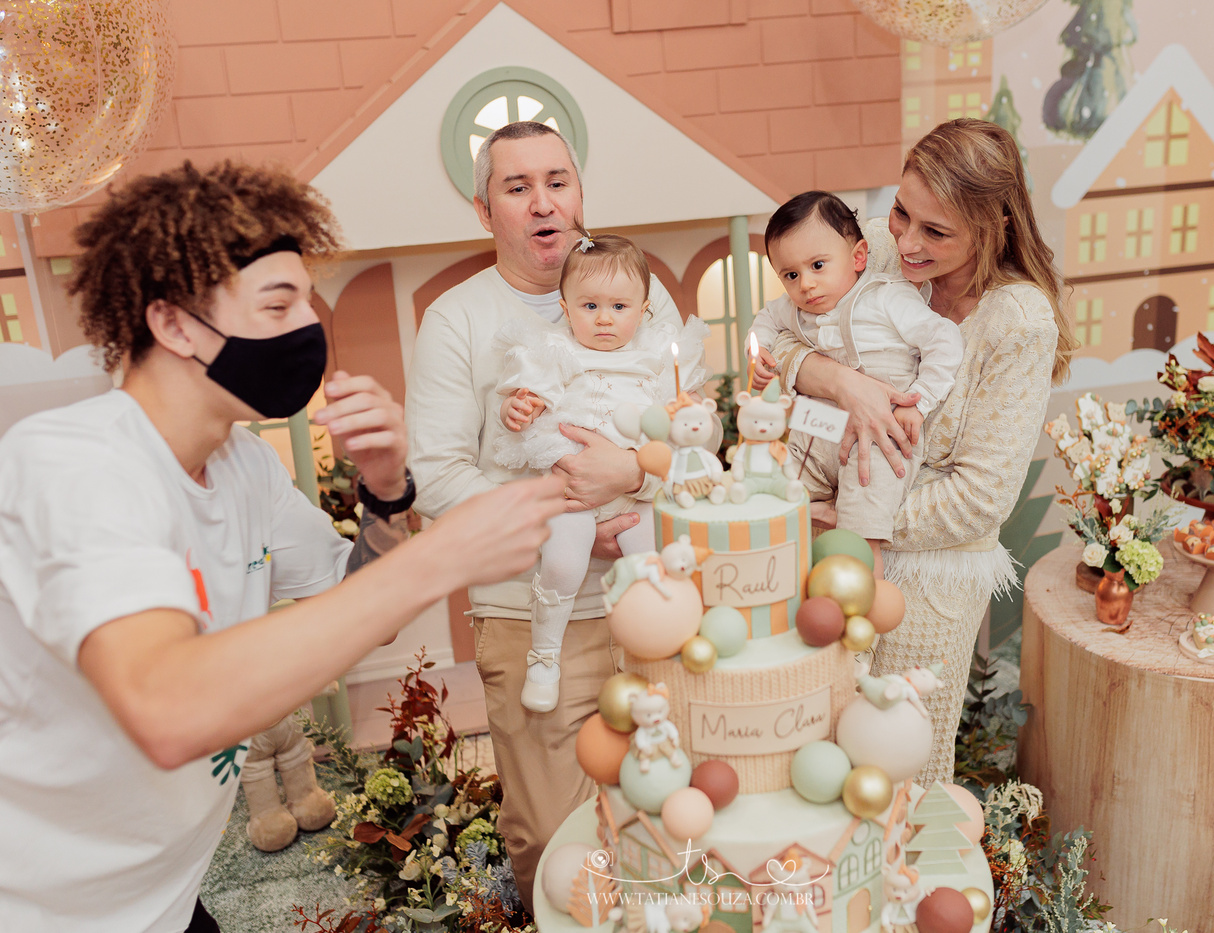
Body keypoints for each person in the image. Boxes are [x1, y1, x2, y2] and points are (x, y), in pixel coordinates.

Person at [0, 161, 564, 933]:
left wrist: (386, 490)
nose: (308, 324)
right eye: (278, 304)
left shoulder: (245, 464)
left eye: (306, 299)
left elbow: (361, 608)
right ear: (174, 325)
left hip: (164, 897)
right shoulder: (75, 462)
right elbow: (166, 708)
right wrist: (444, 555)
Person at [405, 121, 699, 912]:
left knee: (669, 809)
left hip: (654, 597)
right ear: (484, 210)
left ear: (580, 192)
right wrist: (560, 518)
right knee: (555, 838)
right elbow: (436, 474)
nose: (543, 202)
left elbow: (696, 434)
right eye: (517, 186)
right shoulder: (458, 319)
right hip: (529, 612)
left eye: (557, 181)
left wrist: (631, 471)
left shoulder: (643, 298)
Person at [757, 120, 1076, 783]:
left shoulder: (1017, 322)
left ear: (991, 228)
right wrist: (842, 382)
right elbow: (780, 336)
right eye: (902, 211)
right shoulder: (869, 247)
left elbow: (981, 498)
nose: (905, 240)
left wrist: (853, 521)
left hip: (926, 584)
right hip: (824, 546)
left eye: (935, 231)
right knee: (807, 753)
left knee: (896, 768)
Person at [495, 232, 708, 712]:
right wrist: (517, 408)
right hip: (571, 491)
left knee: (654, 568)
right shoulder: (554, 351)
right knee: (562, 564)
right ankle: (544, 656)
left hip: (637, 492)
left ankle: (662, 653)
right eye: (589, 306)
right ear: (566, 308)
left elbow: (686, 424)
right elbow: (522, 399)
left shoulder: (658, 356)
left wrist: (687, 411)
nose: (604, 318)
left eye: (619, 306)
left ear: (644, 309)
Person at [750, 190, 963, 579]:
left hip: (881, 436)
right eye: (791, 275)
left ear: (858, 257)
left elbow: (944, 339)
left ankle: (867, 595)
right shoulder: (792, 308)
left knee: (861, 533)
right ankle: (777, 580)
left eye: (818, 265)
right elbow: (765, 320)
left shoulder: (886, 297)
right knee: (773, 496)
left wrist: (919, 404)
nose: (806, 285)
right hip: (816, 431)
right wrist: (759, 352)